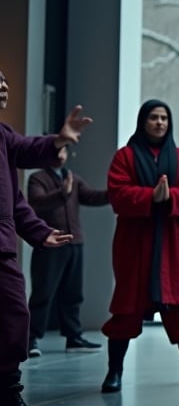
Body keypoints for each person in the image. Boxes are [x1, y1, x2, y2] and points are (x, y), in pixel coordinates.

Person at [101, 100, 179, 393]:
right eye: (153, 117)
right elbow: (117, 194)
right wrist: (149, 197)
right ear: (143, 121)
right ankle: (114, 371)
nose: (159, 123)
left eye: (164, 118)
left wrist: (169, 198)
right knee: (126, 308)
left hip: (172, 242)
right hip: (135, 241)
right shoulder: (124, 157)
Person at [0, 68, 91, 406]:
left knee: (13, 321)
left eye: (5, 79)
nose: (4, 85)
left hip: (3, 249)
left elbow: (16, 200)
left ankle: (7, 400)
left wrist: (40, 232)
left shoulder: (4, 136)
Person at [26, 144, 109, 357]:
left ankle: (74, 337)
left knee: (73, 294)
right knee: (43, 293)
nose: (60, 155)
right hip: (50, 243)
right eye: (56, 150)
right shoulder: (37, 178)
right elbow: (37, 203)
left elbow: (92, 196)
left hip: (75, 243)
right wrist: (63, 193)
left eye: (63, 151)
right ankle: (30, 339)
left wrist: (117, 192)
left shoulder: (72, 177)